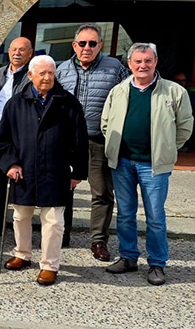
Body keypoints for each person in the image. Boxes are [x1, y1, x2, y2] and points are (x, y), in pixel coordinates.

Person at [101, 43, 193, 286]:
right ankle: (129, 257)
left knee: (154, 216)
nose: (143, 66)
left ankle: (157, 263)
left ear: (156, 61)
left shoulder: (173, 92)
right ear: (129, 64)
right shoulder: (118, 90)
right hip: (122, 163)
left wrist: (168, 148)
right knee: (126, 213)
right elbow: (106, 123)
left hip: (153, 166)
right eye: (138, 61)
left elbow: (185, 126)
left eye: (148, 61)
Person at [0, 55, 88, 286]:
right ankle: (22, 254)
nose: (47, 78)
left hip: (56, 170)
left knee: (54, 220)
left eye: (51, 73)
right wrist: (11, 164)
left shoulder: (68, 103)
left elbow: (80, 140)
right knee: (20, 215)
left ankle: (49, 265)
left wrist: (77, 173)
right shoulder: (15, 103)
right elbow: (2, 141)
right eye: (42, 73)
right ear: (30, 75)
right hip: (24, 170)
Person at [56, 24, 129, 257]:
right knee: (63, 190)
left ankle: (98, 241)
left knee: (101, 193)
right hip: (67, 142)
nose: (87, 48)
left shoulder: (115, 68)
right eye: (82, 43)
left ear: (100, 46)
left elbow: (130, 95)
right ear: (74, 45)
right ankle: (62, 235)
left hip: (99, 140)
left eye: (92, 43)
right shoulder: (62, 69)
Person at [0, 37, 33, 239]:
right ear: (8, 52)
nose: (17, 53)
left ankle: (22, 231)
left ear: (30, 53)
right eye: (14, 49)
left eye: (22, 50)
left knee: (22, 183)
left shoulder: (31, 75)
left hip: (21, 133)